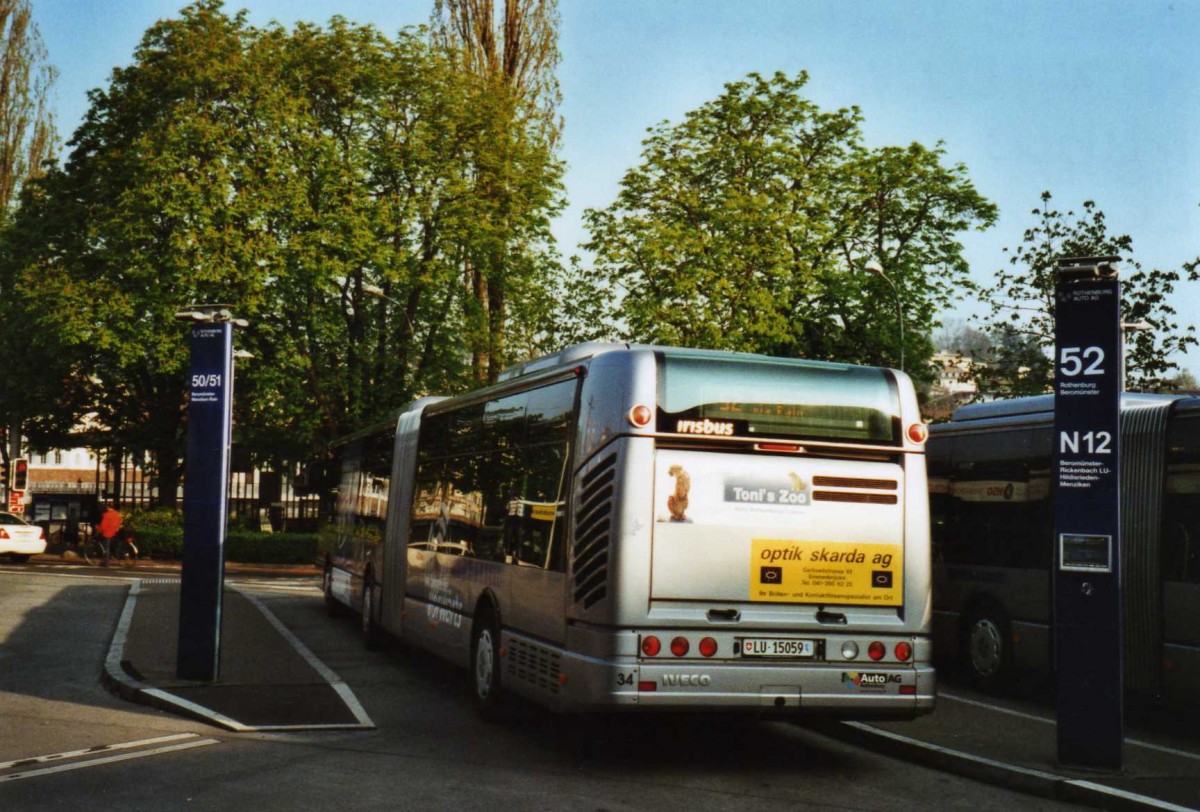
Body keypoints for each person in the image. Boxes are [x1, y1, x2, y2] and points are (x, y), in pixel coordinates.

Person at [96, 502, 122, 567]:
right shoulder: (116, 514)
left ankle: (106, 562)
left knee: (106, 548)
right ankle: (104, 560)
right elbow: (119, 522)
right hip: (115, 532)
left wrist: (98, 529)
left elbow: (103, 525)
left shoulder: (106, 515)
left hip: (107, 532)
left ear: (107, 507)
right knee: (108, 546)